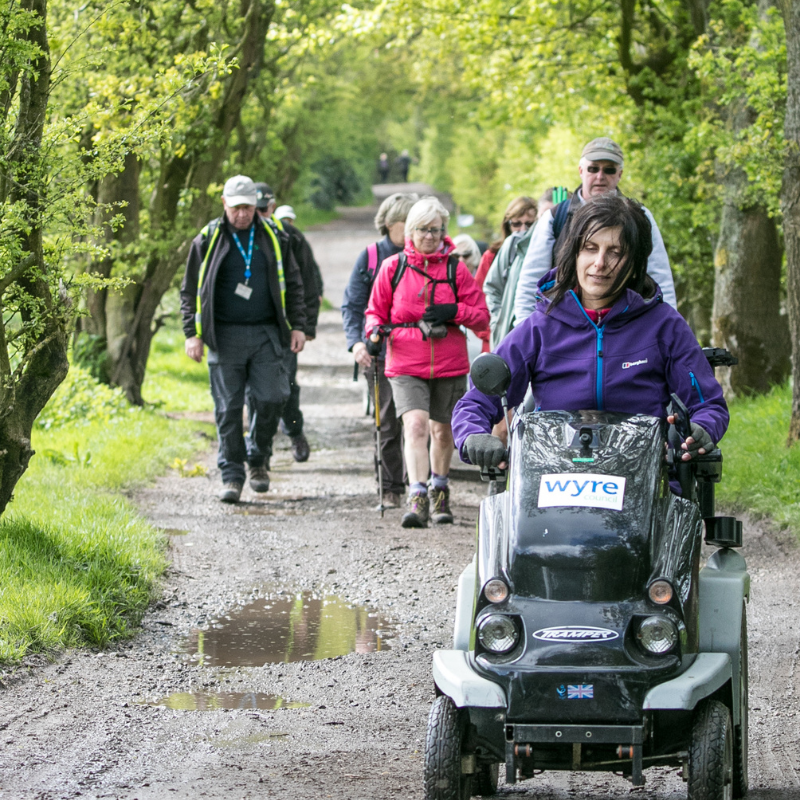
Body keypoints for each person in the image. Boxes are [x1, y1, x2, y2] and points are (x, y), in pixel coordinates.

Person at [452, 195, 727, 475]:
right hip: (553, 479)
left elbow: (708, 405)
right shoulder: (539, 327)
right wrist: (473, 434)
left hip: (644, 481)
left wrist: (702, 428)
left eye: (615, 252)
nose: (599, 263)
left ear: (634, 261)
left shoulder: (665, 326)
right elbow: (476, 401)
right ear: (574, 253)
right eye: (590, 248)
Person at [365, 196, 490, 528]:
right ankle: (417, 495)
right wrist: (373, 333)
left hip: (449, 362)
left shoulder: (455, 268)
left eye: (437, 230)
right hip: (405, 361)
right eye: (424, 230)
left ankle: (440, 487)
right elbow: (374, 311)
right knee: (416, 425)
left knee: (443, 431)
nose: (431, 237)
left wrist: (454, 312)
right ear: (410, 231)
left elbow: (481, 317)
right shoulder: (394, 268)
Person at [181, 175, 307, 503]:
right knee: (228, 408)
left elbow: (293, 282)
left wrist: (298, 325)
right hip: (224, 335)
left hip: (267, 333)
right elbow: (190, 289)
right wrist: (191, 333)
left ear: (257, 206)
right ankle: (232, 473)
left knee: (273, 397)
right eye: (236, 208)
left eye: (248, 208)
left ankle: (259, 455)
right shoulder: (208, 238)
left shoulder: (274, 237)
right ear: (224, 204)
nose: (242, 214)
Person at [514, 138, 678, 323]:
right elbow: (530, 281)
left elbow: (660, 277)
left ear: (620, 174)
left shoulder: (640, 217)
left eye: (609, 170)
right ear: (581, 171)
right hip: (562, 332)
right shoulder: (555, 217)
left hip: (627, 329)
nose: (600, 176)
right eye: (593, 168)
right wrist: (526, 331)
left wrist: (668, 328)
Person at [342, 192, 419, 508]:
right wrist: (357, 342)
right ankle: (390, 488)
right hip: (382, 352)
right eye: (409, 223)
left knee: (417, 422)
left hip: (419, 352)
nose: (417, 230)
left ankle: (419, 485)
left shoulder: (427, 256)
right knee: (387, 422)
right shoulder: (372, 257)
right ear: (389, 224)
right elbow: (353, 304)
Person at [254, 182, 322, 463]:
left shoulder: (291, 238)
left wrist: (306, 328)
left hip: (284, 331)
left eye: (263, 209)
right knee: (255, 395)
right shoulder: (240, 238)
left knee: (286, 390)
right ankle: (259, 454)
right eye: (254, 209)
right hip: (253, 330)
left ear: (272, 207)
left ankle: (295, 433)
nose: (259, 215)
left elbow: (309, 285)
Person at [483, 187, 570, 349]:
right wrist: (499, 321)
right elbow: (492, 287)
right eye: (544, 216)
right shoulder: (515, 243)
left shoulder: (579, 253)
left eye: (557, 218)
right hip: (514, 335)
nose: (550, 223)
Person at [473, 196, 538, 292]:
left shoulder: (543, 253)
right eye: (516, 223)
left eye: (529, 224)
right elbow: (479, 293)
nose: (523, 230)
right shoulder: (491, 256)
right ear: (508, 225)